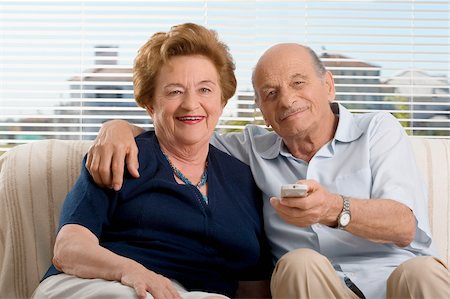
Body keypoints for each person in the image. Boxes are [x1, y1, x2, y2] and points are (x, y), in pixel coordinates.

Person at [88, 42, 450, 299]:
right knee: (298, 263)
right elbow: (185, 127)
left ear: (328, 85)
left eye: (298, 82)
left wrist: (333, 209)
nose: (287, 100)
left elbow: (405, 226)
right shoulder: (250, 148)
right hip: (311, 287)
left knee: (422, 271)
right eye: (270, 93)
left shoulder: (377, 130)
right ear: (260, 107)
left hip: (394, 282)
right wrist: (117, 127)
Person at [32, 23, 273, 299]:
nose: (191, 104)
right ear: (150, 104)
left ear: (222, 100)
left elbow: (254, 283)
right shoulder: (121, 155)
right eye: (174, 91)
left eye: (205, 90)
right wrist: (133, 272)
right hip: (99, 284)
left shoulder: (243, 179)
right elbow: (69, 248)